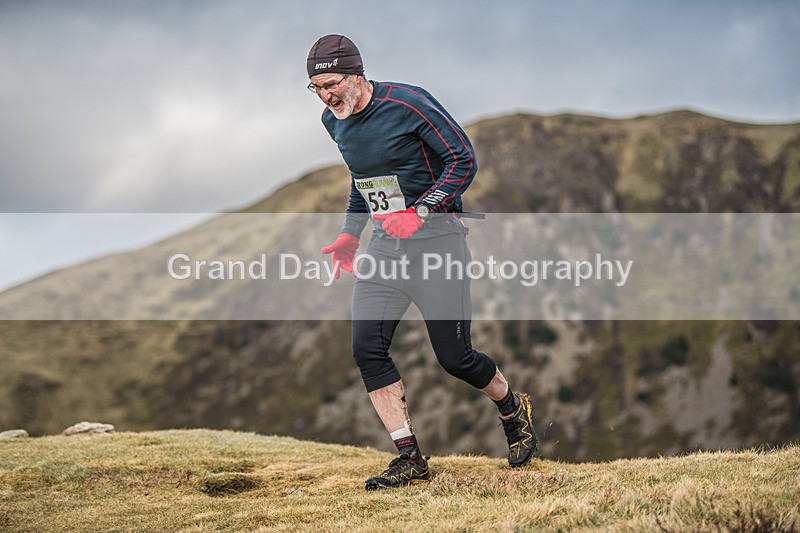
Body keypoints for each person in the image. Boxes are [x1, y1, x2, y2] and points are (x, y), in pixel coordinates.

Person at [308, 34, 538, 490]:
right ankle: (410, 458)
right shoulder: (333, 121)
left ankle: (513, 408)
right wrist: (350, 235)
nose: (325, 96)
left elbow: (463, 161)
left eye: (332, 85)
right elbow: (362, 180)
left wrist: (421, 211)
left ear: (357, 75)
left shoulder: (408, 103)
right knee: (367, 349)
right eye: (315, 88)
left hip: (438, 244)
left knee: (456, 358)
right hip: (385, 250)